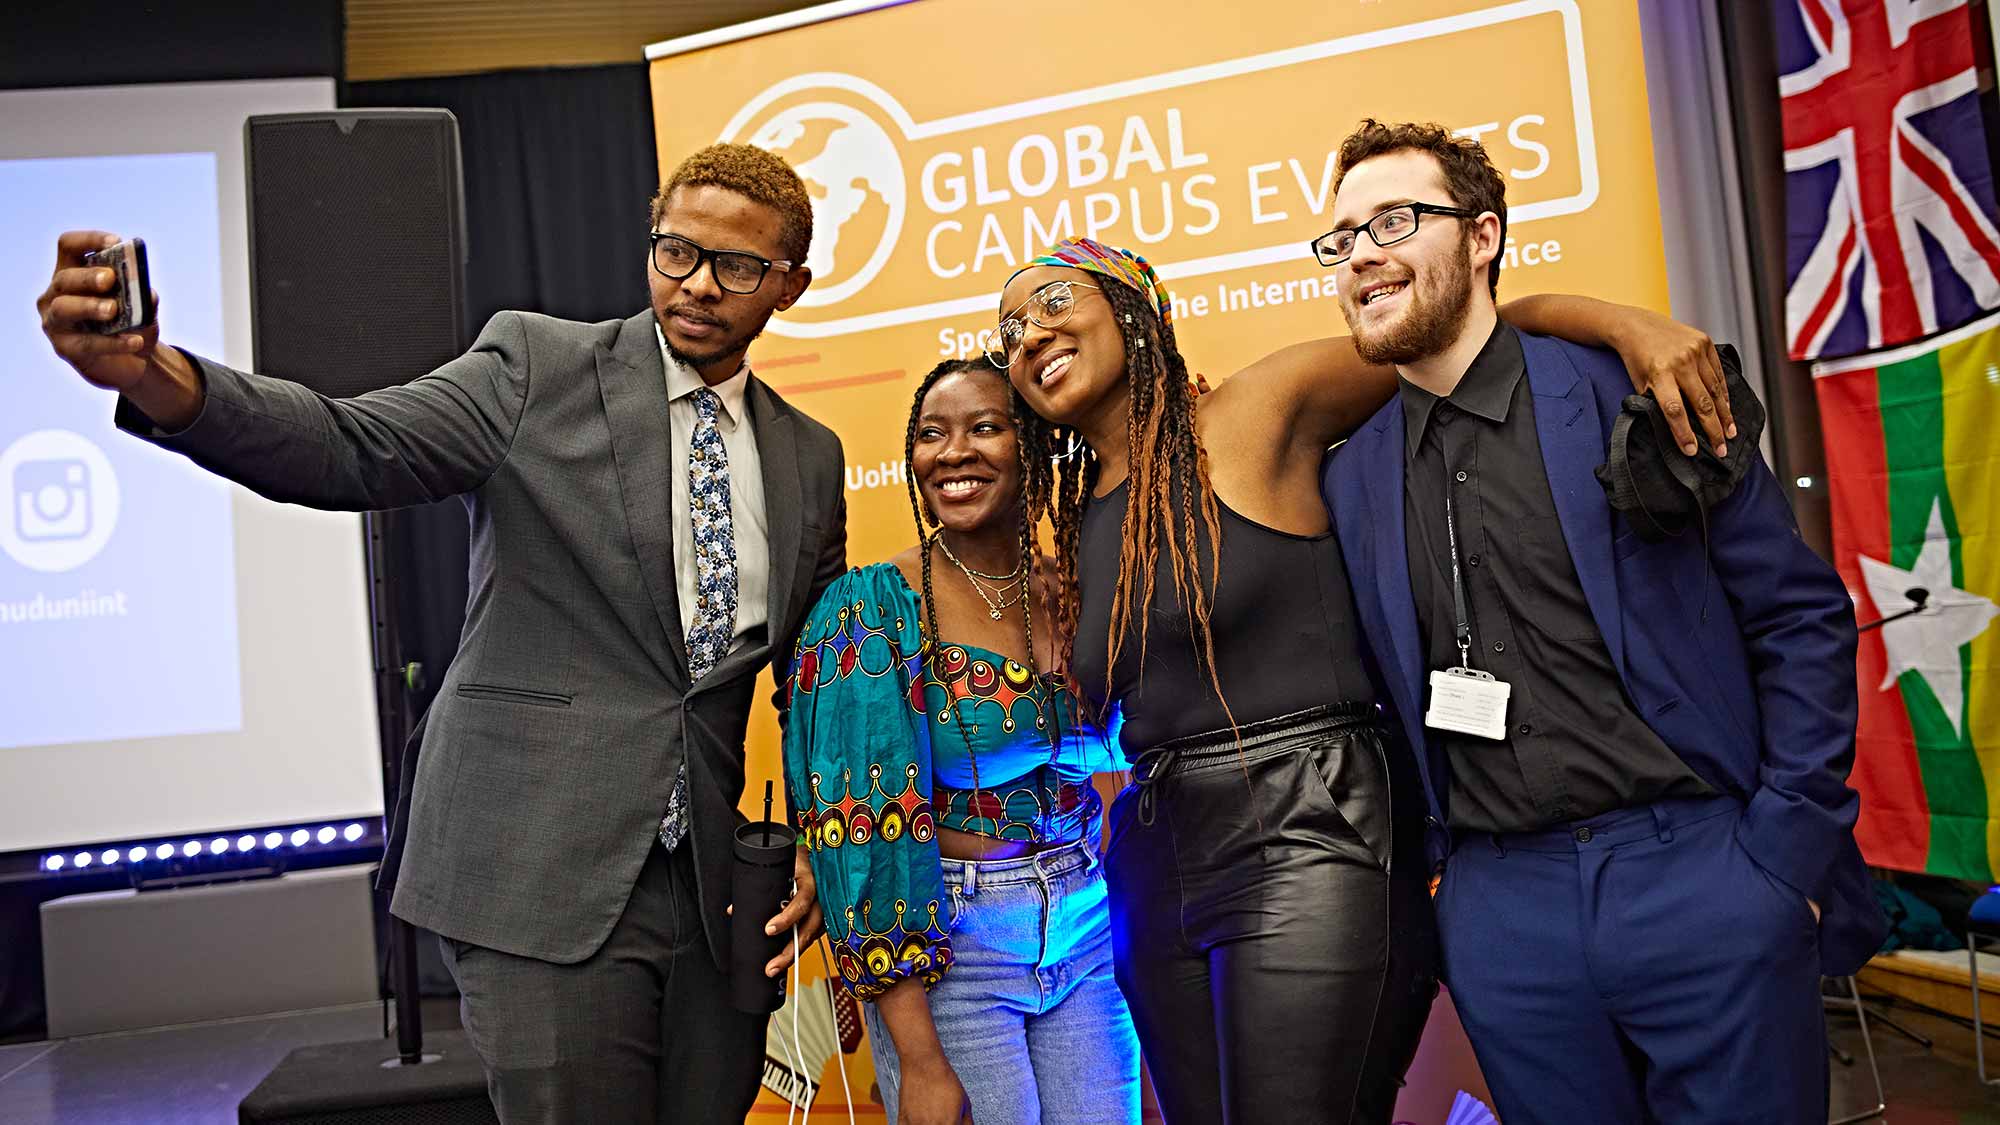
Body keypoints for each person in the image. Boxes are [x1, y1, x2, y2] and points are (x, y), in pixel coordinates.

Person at [33, 143, 848, 1124]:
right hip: (537, 870)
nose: (697, 285)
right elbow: (349, 443)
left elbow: (817, 677)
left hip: (718, 899)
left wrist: (818, 836)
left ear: (791, 284)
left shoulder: (808, 455)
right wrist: (159, 376)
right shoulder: (535, 366)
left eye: (737, 267)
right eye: (674, 251)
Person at [997, 233, 1732, 1124]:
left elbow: (1463, 332)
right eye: (1007, 330)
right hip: (1156, 856)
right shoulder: (1073, 522)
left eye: (1049, 305)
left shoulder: (1257, 408)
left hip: (1310, 828)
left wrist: (1626, 327)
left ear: (1134, 310)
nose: (1026, 336)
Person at [1317, 120, 1887, 1123]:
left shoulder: (1633, 389)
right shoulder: (1348, 475)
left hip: (1702, 871)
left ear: (1481, 235)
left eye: (1393, 221)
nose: (1359, 252)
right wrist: (1459, 900)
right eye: (1340, 238)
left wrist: (1776, 860)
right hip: (1503, 914)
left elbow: (1797, 615)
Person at [782, 358, 1140, 1125]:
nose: (953, 452)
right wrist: (918, 1058)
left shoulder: (1076, 586)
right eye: (931, 434)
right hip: (955, 946)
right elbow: (860, 839)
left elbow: (1137, 731)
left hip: (1084, 919)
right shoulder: (874, 609)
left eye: (985, 427)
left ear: (1033, 446)